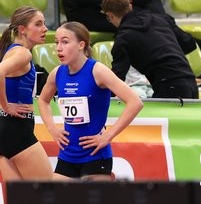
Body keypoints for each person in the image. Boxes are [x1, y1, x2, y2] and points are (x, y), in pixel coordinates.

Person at [0, 7, 76, 204]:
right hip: (16, 132)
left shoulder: (13, 51)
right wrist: (7, 106)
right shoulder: (22, 53)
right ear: (22, 29)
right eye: (38, 24)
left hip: (5, 132)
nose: (45, 29)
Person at [38, 22, 143, 181]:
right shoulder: (57, 73)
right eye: (56, 42)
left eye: (65, 42)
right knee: (56, 196)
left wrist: (109, 135)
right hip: (67, 155)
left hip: (95, 156)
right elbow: (43, 100)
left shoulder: (98, 71)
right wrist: (52, 128)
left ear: (81, 45)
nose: (58, 48)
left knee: (93, 198)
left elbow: (135, 102)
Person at [100, 0, 198, 100]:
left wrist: (99, 97)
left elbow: (117, 79)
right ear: (130, 6)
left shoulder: (123, 38)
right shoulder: (160, 18)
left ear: (110, 15)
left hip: (167, 85)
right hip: (191, 81)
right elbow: (189, 43)